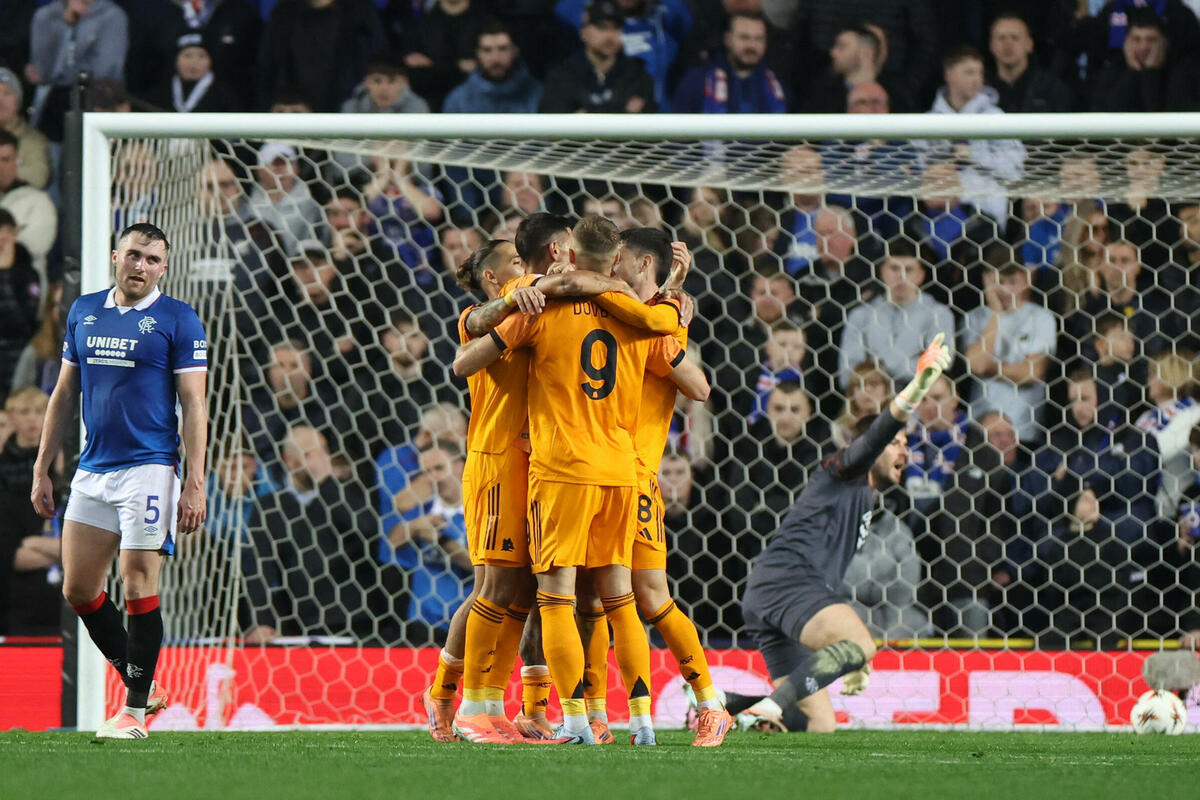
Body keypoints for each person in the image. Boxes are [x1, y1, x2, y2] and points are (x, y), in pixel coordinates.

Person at [453, 215, 693, 745]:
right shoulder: (637, 314)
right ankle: (636, 721)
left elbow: (465, 361)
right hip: (610, 469)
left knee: (543, 594)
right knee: (605, 598)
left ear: (570, 253)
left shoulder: (542, 304)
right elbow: (695, 380)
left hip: (557, 467)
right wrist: (672, 296)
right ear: (615, 260)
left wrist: (532, 299)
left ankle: (565, 718)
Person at [30, 223, 208, 739]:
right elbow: (65, 393)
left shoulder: (179, 319)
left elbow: (194, 404)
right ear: (115, 256)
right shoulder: (85, 310)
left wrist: (194, 482)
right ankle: (144, 684)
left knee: (136, 582)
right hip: (93, 468)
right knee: (80, 588)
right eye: (133, 255)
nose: (140, 266)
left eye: (152, 260)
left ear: (164, 268)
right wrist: (43, 465)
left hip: (149, 468)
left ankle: (133, 713)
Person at [731, 334, 951, 733]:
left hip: (770, 591)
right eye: (896, 443)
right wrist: (917, 387)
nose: (903, 452)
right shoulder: (844, 469)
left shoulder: (865, 496)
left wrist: (850, 657)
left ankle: (722, 703)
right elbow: (879, 431)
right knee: (863, 644)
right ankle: (769, 707)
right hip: (789, 581)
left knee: (819, 722)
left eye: (906, 445)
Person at [918, 45, 1025, 221]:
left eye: (980, 73)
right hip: (939, 216)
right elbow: (916, 170)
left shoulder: (995, 118)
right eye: (969, 72)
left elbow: (1016, 169)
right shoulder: (928, 123)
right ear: (948, 75)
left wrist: (975, 155)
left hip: (988, 217)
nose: (977, 79)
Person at [839, 242, 955, 391]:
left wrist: (879, 367)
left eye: (908, 269)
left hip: (917, 400)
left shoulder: (939, 314)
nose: (901, 276)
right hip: (872, 400)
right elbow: (847, 374)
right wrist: (914, 362)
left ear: (921, 275)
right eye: (894, 268)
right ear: (882, 271)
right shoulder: (861, 315)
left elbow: (937, 366)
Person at [961, 264, 1056, 442]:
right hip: (980, 428)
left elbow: (1032, 373)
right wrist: (996, 313)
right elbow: (978, 364)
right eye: (998, 282)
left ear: (1026, 279)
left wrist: (992, 368)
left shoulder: (1041, 317)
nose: (1004, 289)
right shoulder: (975, 317)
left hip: (1023, 429)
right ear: (986, 280)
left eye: (1012, 282)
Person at [540, 1, 657, 114]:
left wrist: (584, 114)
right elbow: (552, 118)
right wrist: (624, 112)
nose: (610, 36)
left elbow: (647, 120)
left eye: (616, 28)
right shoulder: (563, 75)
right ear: (584, 33)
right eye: (602, 27)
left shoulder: (637, 75)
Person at [672, 12, 788, 114]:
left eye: (759, 39)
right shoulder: (696, 81)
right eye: (744, 37)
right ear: (728, 39)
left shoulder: (778, 85)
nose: (752, 45)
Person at [442, 22, 543, 114]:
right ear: (478, 54)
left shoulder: (538, 95)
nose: (495, 58)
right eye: (487, 50)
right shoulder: (458, 100)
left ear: (515, 51)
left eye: (503, 49)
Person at [987, 13, 1074, 113]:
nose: (1008, 44)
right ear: (991, 45)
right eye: (1001, 38)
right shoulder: (981, 88)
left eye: (1015, 37)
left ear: (1029, 44)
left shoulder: (1053, 88)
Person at [0, 131, 56, 287]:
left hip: (21, 285)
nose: (0, 166)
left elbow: (35, 247)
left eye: (6, 159)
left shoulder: (37, 200)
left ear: (17, 160)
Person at [0, 207, 40, 389]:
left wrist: (5, 275)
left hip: (17, 354)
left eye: (5, 236)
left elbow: (23, 324)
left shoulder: (27, 274)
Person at [0, 68, 49, 188]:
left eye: (7, 93)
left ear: (18, 100)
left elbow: (38, 177)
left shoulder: (33, 140)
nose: (0, 101)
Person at [340, 52, 430, 114]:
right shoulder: (352, 107)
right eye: (377, 81)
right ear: (366, 82)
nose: (384, 88)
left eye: (392, 81)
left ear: (404, 83)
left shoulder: (417, 107)